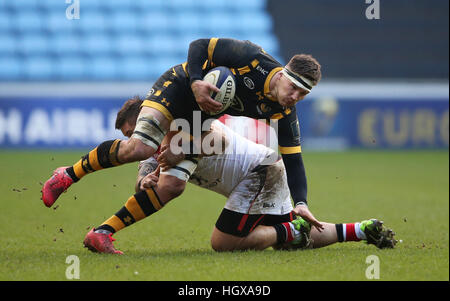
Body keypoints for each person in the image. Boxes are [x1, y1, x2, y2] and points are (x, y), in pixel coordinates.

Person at [41, 37, 322, 229]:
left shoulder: (283, 112)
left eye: (304, 94)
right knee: (139, 148)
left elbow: (294, 160)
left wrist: (301, 203)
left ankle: (103, 232)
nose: (296, 96)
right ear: (284, 74)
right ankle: (68, 174)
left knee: (172, 185)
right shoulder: (252, 58)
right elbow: (198, 46)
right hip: (179, 88)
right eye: (294, 87)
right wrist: (198, 82)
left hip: (201, 117)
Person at [82, 98, 397, 254]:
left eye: (135, 130)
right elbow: (147, 169)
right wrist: (143, 181)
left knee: (223, 242)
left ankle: (292, 231)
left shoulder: (185, 126)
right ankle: (361, 229)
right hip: (264, 171)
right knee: (289, 242)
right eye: (129, 136)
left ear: (150, 120)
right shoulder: (156, 143)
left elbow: (209, 147)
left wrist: (176, 157)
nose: (135, 139)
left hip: (261, 173)